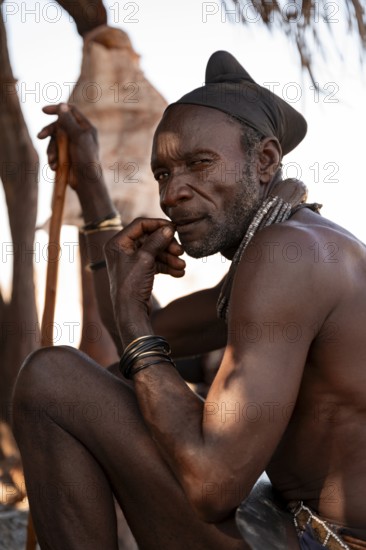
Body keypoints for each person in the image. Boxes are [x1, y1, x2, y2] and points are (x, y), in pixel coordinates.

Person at [12, 51, 366, 549]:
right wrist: (92, 188)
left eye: (200, 164)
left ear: (264, 160)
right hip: (304, 528)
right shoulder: (293, 246)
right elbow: (152, 337)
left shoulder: (286, 256)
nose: (174, 191)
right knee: (99, 381)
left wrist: (133, 314)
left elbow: (211, 487)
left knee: (52, 379)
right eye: (162, 174)